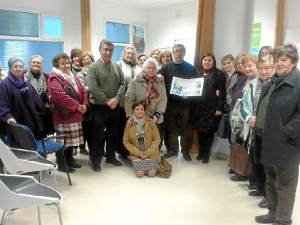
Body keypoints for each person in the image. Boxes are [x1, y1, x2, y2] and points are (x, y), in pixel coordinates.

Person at [254, 43, 300, 225]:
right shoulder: (274, 80)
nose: (279, 63)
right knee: (271, 182)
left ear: (293, 61)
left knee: (285, 186)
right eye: (277, 59)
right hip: (269, 142)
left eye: (284, 60)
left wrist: (285, 132)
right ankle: (272, 213)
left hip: (287, 145)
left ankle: (283, 220)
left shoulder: (297, 82)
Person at [87, 39, 126, 172]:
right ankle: (96, 160)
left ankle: (110, 156)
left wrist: (116, 99)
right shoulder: (93, 67)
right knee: (98, 134)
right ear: (100, 50)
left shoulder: (117, 66)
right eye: (106, 49)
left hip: (115, 106)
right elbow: (93, 87)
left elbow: (123, 83)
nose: (108, 52)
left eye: (110, 50)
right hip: (99, 106)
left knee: (113, 133)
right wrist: (106, 100)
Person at [240, 56, 274, 208]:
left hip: (268, 133)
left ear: (273, 69)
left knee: (267, 166)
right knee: (256, 161)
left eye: (267, 68)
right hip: (254, 131)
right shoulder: (253, 85)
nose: (264, 71)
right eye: (261, 68)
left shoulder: (275, 85)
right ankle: (260, 188)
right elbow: (243, 105)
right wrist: (248, 117)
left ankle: (269, 196)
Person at [48, 53, 89, 173]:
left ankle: (70, 160)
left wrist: (85, 105)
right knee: (63, 141)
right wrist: (77, 106)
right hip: (63, 115)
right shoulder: (54, 78)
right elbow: (59, 95)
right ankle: (62, 164)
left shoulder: (73, 76)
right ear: (57, 65)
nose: (66, 65)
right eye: (63, 63)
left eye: (67, 63)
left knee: (72, 141)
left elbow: (83, 91)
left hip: (75, 113)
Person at [158, 43, 196, 161]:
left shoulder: (190, 67)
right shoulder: (166, 67)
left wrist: (189, 95)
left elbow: (195, 84)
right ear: (173, 53)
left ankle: (185, 151)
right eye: (176, 51)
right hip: (170, 104)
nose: (178, 53)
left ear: (184, 53)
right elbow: (157, 75)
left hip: (185, 104)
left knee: (185, 129)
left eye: (180, 51)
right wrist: (159, 76)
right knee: (172, 128)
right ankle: (173, 151)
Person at [190, 53, 226, 164]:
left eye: (209, 60)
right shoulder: (198, 73)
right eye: (205, 60)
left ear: (213, 62)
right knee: (200, 132)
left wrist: (219, 108)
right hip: (199, 108)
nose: (207, 62)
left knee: (209, 132)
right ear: (202, 61)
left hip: (212, 108)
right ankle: (201, 152)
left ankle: (206, 154)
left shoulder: (219, 74)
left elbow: (222, 93)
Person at [125, 57, 167, 149]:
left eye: (153, 68)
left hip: (156, 117)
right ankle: (141, 161)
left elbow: (163, 99)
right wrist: (131, 115)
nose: (151, 70)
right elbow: (128, 99)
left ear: (157, 69)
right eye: (148, 68)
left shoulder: (160, 82)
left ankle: (153, 159)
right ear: (144, 68)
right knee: (140, 142)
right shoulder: (136, 81)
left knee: (156, 142)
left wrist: (157, 114)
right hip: (139, 117)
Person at [0, 57, 44, 144]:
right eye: (15, 66)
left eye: (20, 66)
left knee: (31, 144)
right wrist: (8, 116)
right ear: (10, 68)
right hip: (17, 121)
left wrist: (40, 109)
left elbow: (36, 98)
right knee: (19, 146)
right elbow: (2, 103)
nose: (19, 69)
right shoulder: (5, 84)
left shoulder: (25, 82)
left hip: (30, 119)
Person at [117, 45, 143, 159]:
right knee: (123, 126)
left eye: (132, 53)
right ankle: (122, 150)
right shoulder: (119, 65)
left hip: (137, 102)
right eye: (128, 53)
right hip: (123, 101)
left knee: (135, 128)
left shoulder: (140, 67)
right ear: (124, 54)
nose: (130, 55)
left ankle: (134, 151)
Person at [123, 101, 160, 178]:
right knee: (140, 174)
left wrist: (147, 153)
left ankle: (152, 163)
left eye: (141, 109)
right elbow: (126, 141)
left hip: (150, 152)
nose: (139, 111)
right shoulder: (129, 123)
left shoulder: (151, 122)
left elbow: (157, 139)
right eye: (137, 109)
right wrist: (139, 153)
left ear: (144, 110)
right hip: (137, 154)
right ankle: (144, 164)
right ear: (133, 111)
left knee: (151, 174)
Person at [24, 55, 54, 137]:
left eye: (38, 63)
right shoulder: (22, 76)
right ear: (29, 64)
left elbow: (49, 91)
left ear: (42, 65)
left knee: (42, 135)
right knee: (30, 136)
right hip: (28, 110)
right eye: (34, 62)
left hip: (43, 110)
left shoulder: (46, 76)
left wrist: (49, 96)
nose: (36, 64)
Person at [76, 51, 95, 155]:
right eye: (84, 60)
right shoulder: (79, 74)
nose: (87, 61)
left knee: (96, 129)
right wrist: (95, 88)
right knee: (86, 128)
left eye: (88, 59)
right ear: (81, 62)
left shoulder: (97, 71)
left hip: (98, 104)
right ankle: (84, 147)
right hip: (87, 104)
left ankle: (96, 150)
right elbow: (82, 89)